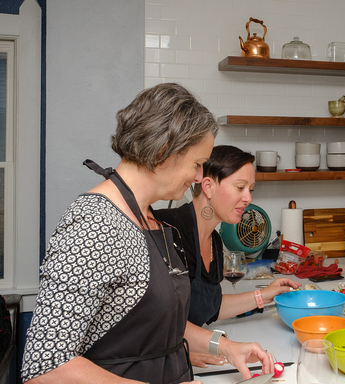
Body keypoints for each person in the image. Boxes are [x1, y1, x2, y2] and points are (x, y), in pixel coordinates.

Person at [21, 83, 272, 384]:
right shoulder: (94, 222)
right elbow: (46, 367)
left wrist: (226, 347)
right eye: (196, 164)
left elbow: (158, 324)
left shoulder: (149, 218)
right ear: (164, 150)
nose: (197, 177)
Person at [153, 145, 300, 365]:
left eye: (251, 189)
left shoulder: (215, 241)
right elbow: (155, 318)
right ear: (208, 186)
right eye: (240, 187)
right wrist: (186, 351)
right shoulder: (164, 229)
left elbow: (210, 307)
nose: (248, 198)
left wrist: (263, 296)